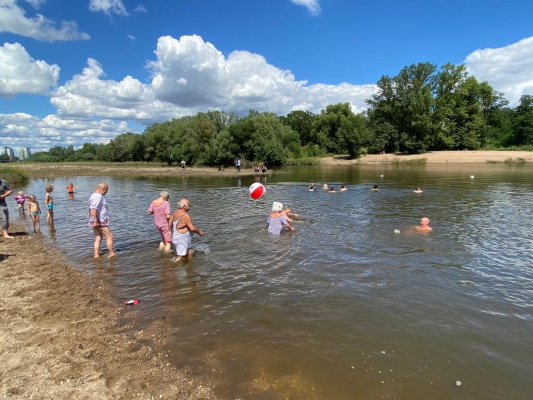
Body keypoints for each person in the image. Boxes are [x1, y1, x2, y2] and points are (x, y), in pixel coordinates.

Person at [88, 183, 116, 258]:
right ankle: (112, 253)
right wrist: (96, 221)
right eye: (106, 191)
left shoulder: (93, 195)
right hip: (100, 221)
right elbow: (93, 209)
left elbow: (91, 209)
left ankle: (96, 255)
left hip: (95, 220)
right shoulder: (98, 196)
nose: (106, 193)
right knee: (110, 236)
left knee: (98, 237)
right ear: (103, 189)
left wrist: (93, 220)